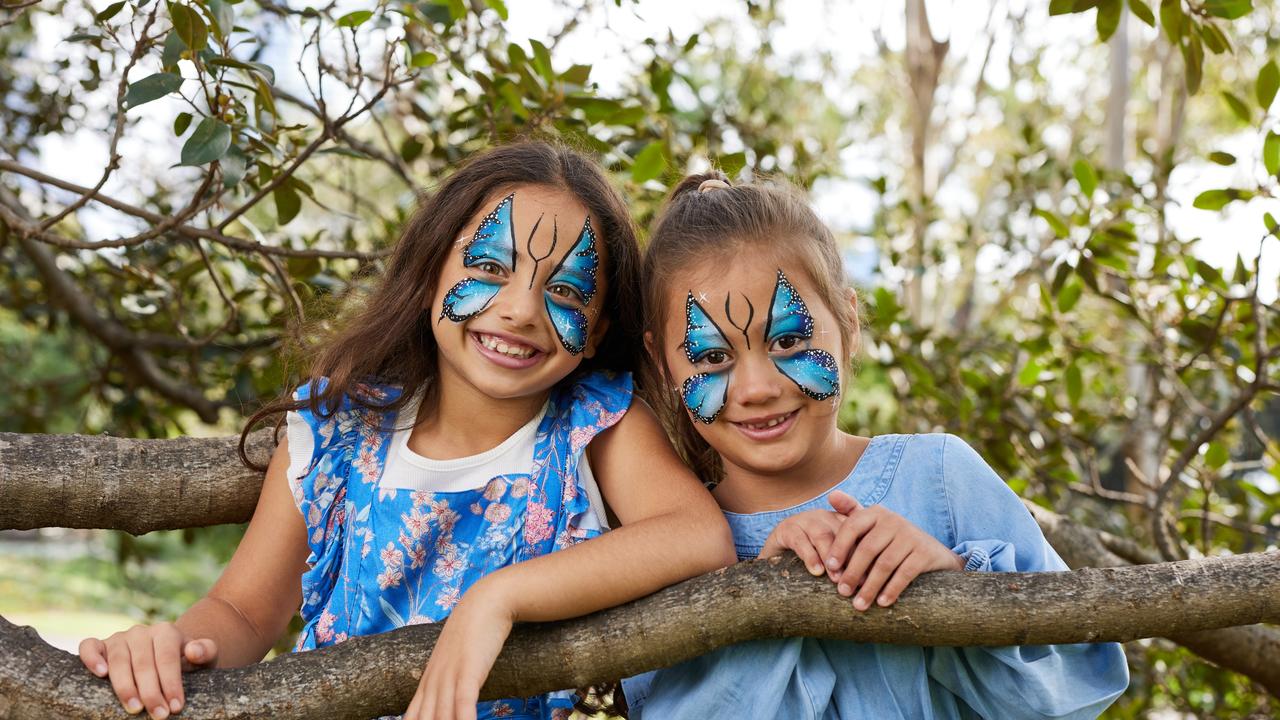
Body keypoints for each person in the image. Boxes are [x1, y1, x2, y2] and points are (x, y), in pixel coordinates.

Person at [78, 142, 737, 720]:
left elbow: (696, 534)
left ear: (596, 332)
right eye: (488, 268)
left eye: (565, 294)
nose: (519, 310)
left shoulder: (596, 426)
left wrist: (496, 600)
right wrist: (167, 647)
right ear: (430, 277)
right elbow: (246, 614)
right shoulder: (337, 426)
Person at [621, 173, 1130, 719]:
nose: (757, 389)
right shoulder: (669, 546)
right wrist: (763, 599)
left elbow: (1083, 680)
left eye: (789, 340)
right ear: (660, 361)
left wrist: (956, 589)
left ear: (848, 321)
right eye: (711, 358)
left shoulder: (940, 477)